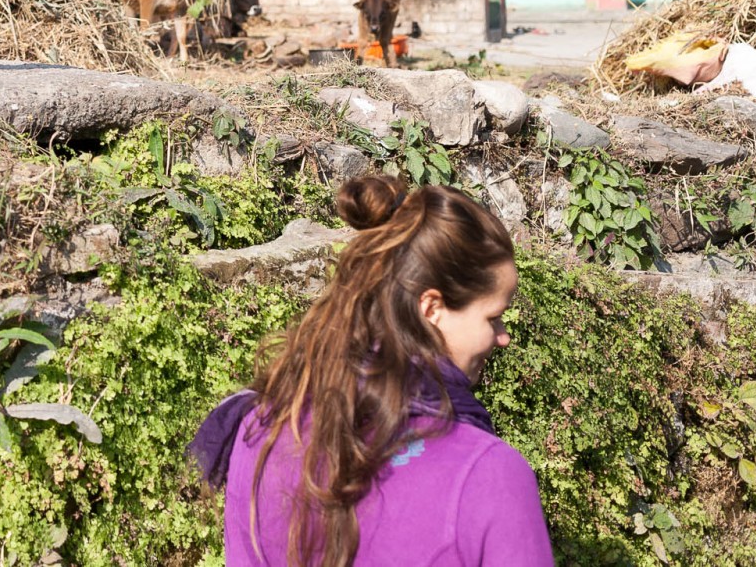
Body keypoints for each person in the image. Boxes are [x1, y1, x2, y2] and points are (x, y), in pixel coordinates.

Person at [191, 176, 553, 567]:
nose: (503, 338)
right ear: (431, 309)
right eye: (494, 317)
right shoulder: (489, 476)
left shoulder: (264, 429)